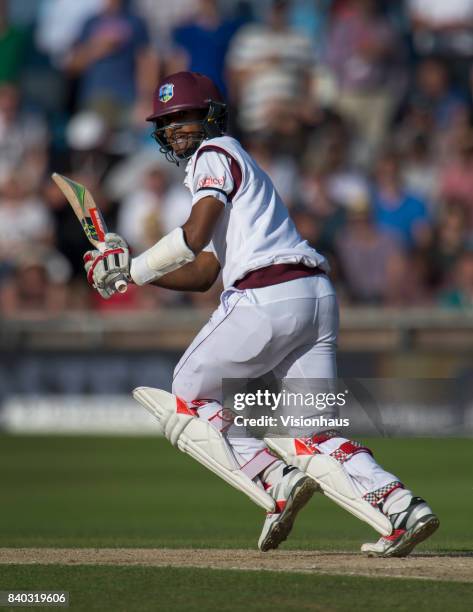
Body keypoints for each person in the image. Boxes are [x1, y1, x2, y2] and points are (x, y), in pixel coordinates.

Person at [83, 71, 439, 556]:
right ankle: (401, 506)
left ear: (210, 115)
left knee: (187, 392)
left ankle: (273, 477)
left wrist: (134, 265)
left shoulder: (215, 153)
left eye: (185, 117)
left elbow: (191, 236)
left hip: (267, 296)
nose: (177, 129)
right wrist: (127, 274)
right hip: (313, 296)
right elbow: (206, 269)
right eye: (169, 122)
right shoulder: (241, 167)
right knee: (314, 432)